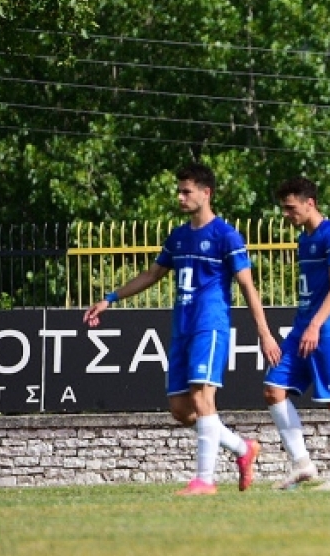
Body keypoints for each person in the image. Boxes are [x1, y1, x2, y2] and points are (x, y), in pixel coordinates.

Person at [82, 162, 277, 495]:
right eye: (179, 191)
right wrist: (110, 298)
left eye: (186, 191)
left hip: (209, 325)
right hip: (183, 327)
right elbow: (152, 274)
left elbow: (247, 285)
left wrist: (265, 333)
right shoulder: (179, 236)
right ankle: (242, 448)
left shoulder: (226, 235)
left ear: (206, 193)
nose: (180, 197)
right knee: (181, 409)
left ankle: (205, 480)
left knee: (202, 397)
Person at [265, 177, 330, 491]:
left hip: (329, 330)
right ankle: (303, 464)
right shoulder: (304, 240)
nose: (286, 214)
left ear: (310, 203)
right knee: (274, 389)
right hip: (303, 328)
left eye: (291, 208)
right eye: (283, 208)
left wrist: (316, 325)